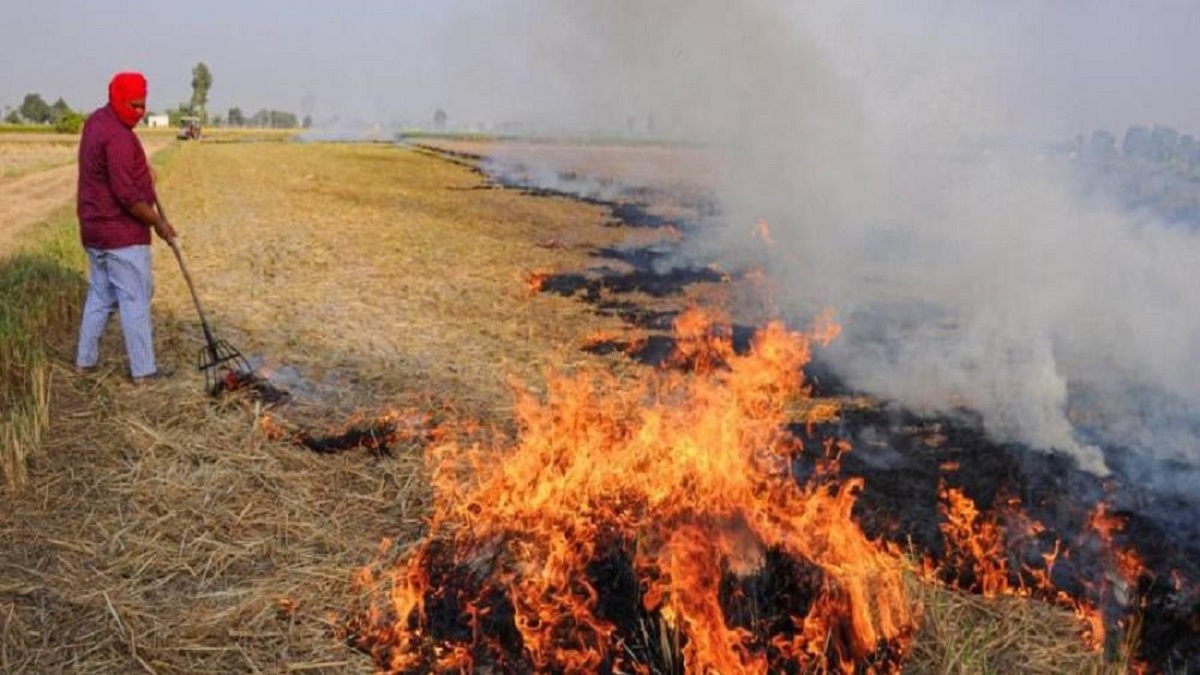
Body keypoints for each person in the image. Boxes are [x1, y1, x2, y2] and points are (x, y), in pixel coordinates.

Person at [74, 72, 177, 384]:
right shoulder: (119, 137)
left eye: (143, 105)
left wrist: (143, 171)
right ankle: (144, 372)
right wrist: (158, 222)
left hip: (93, 229)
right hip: (120, 235)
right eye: (134, 105)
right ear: (118, 99)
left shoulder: (97, 122)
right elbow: (128, 197)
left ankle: (84, 362)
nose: (140, 112)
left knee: (101, 294)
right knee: (135, 299)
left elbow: (115, 172)